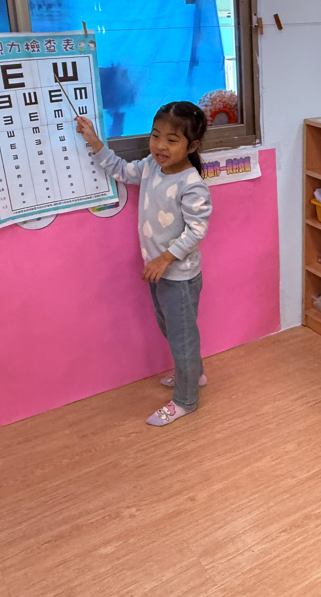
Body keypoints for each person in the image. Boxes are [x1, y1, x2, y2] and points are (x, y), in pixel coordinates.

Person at [76, 102, 212, 427]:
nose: (160, 146)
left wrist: (165, 258)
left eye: (172, 140)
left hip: (178, 276)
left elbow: (197, 230)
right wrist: (93, 140)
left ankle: (186, 399)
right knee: (171, 329)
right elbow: (122, 170)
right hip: (158, 272)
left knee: (181, 337)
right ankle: (194, 373)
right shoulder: (151, 166)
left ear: (192, 146)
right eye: (155, 136)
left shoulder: (192, 184)